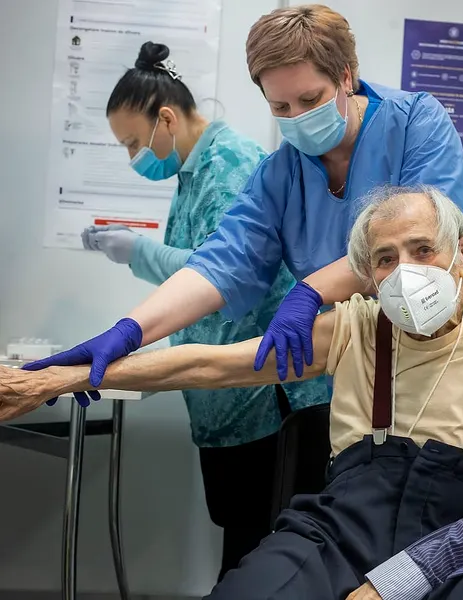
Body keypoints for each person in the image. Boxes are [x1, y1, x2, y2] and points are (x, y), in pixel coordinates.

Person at [3, 187, 463, 600]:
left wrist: (395, 583)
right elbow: (213, 366)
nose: (406, 270)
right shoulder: (352, 327)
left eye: (423, 250)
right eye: (384, 258)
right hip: (347, 521)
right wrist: (65, 376)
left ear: (462, 257)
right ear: (368, 276)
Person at [26, 4, 463, 392]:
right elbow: (221, 265)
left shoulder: (416, 122)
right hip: (386, 353)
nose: (296, 117)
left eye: (310, 100)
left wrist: (309, 291)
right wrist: (129, 331)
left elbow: (419, 245)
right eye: (279, 106)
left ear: (346, 77)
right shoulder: (280, 174)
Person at [72, 41, 330, 580]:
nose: (133, 158)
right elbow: (193, 268)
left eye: (134, 143)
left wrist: (137, 251)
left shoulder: (230, 164)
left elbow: (225, 273)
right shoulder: (191, 174)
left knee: (265, 555)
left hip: (268, 396)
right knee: (243, 546)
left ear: (165, 118)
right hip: (230, 401)